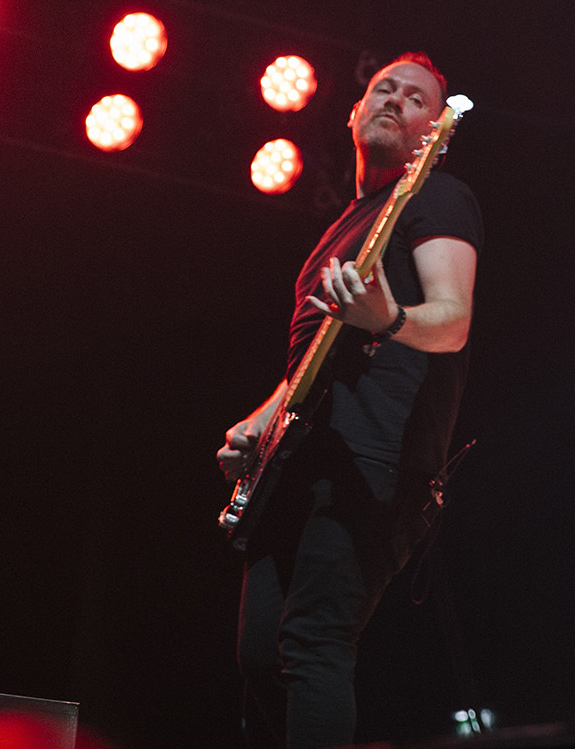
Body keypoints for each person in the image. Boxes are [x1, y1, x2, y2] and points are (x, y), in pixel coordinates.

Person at [216, 52, 482, 748]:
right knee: (257, 656)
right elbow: (313, 360)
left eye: (416, 98)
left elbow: (452, 319)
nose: (394, 100)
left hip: (373, 462)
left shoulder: (436, 199)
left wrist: (390, 320)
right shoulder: (344, 226)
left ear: (437, 135)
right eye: (383, 89)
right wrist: (258, 423)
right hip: (300, 461)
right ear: (353, 112)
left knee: (312, 643)